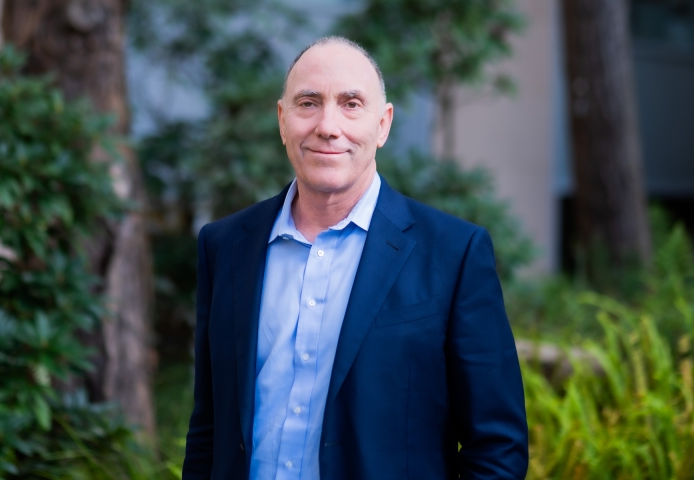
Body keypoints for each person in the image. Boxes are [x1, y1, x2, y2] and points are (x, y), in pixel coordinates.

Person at [182, 36, 528, 480]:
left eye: (351, 104)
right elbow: (209, 427)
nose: (328, 125)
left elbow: (497, 449)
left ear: (382, 125)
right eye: (308, 103)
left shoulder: (453, 254)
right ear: (282, 120)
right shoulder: (225, 245)